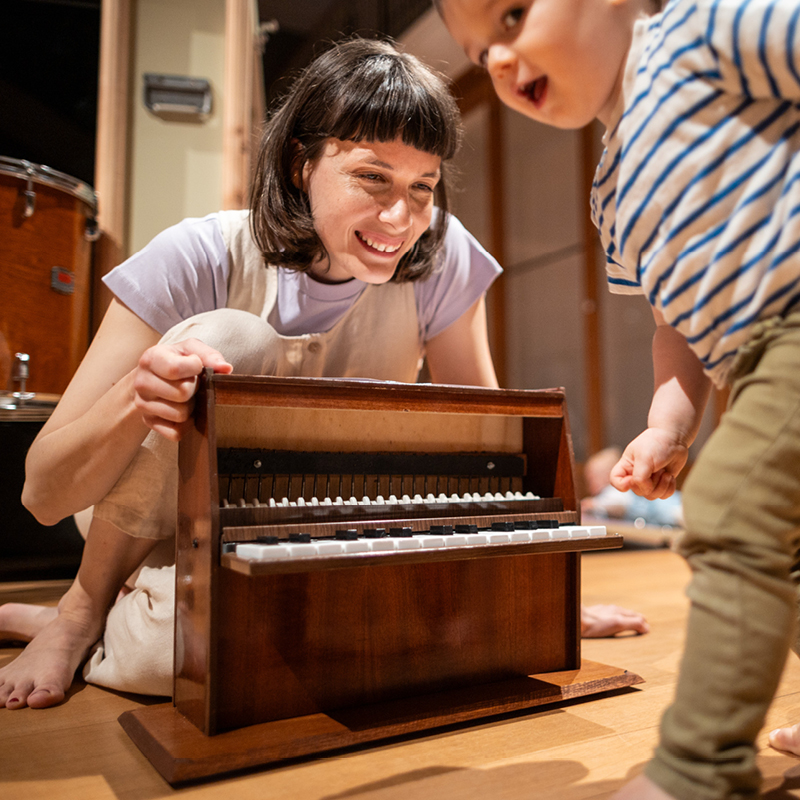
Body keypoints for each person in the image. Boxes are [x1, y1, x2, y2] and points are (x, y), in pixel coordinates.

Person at [0, 37, 645, 711]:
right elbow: (44, 493)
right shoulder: (196, 254)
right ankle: (79, 609)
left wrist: (531, 603)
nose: (401, 219)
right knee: (222, 341)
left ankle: (106, 617)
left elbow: (486, 443)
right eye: (373, 177)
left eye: (421, 187)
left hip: (306, 534)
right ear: (299, 161)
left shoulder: (443, 254)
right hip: (159, 523)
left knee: (326, 649)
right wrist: (140, 397)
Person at [436, 0, 800, 797]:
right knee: (787, 546)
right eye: (476, 48)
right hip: (752, 365)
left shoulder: (708, 32)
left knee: (734, 511)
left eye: (511, 16)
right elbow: (677, 321)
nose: (496, 59)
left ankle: (698, 771)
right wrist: (669, 422)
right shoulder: (611, 190)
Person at [582, 446, 683, 528]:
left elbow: (619, 503)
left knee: (679, 513)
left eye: (592, 479)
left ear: (609, 475)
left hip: (666, 507)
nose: (588, 485)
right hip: (663, 508)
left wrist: (593, 504)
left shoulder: (614, 490)